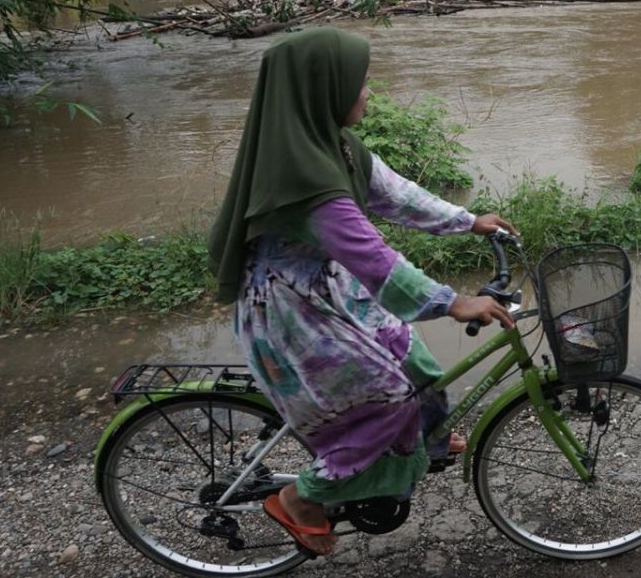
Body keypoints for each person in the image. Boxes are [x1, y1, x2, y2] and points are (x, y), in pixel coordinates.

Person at [207, 27, 516, 556]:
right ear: (323, 89)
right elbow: (374, 259)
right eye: (360, 83)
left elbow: (397, 195)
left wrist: (468, 221)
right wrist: (452, 302)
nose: (368, 92)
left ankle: (425, 445)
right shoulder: (305, 179)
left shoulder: (337, 146)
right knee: (389, 399)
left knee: (416, 362)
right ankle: (302, 500)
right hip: (289, 310)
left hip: (326, 287)